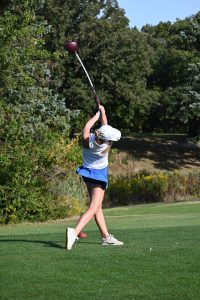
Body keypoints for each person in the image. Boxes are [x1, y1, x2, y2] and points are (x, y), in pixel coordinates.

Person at [66, 105, 123, 250]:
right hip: (98, 176)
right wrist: (103, 112)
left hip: (87, 174)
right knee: (94, 206)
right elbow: (105, 126)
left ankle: (106, 237)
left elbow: (88, 127)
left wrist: (97, 115)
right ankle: (74, 232)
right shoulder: (107, 144)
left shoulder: (87, 139)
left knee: (97, 206)